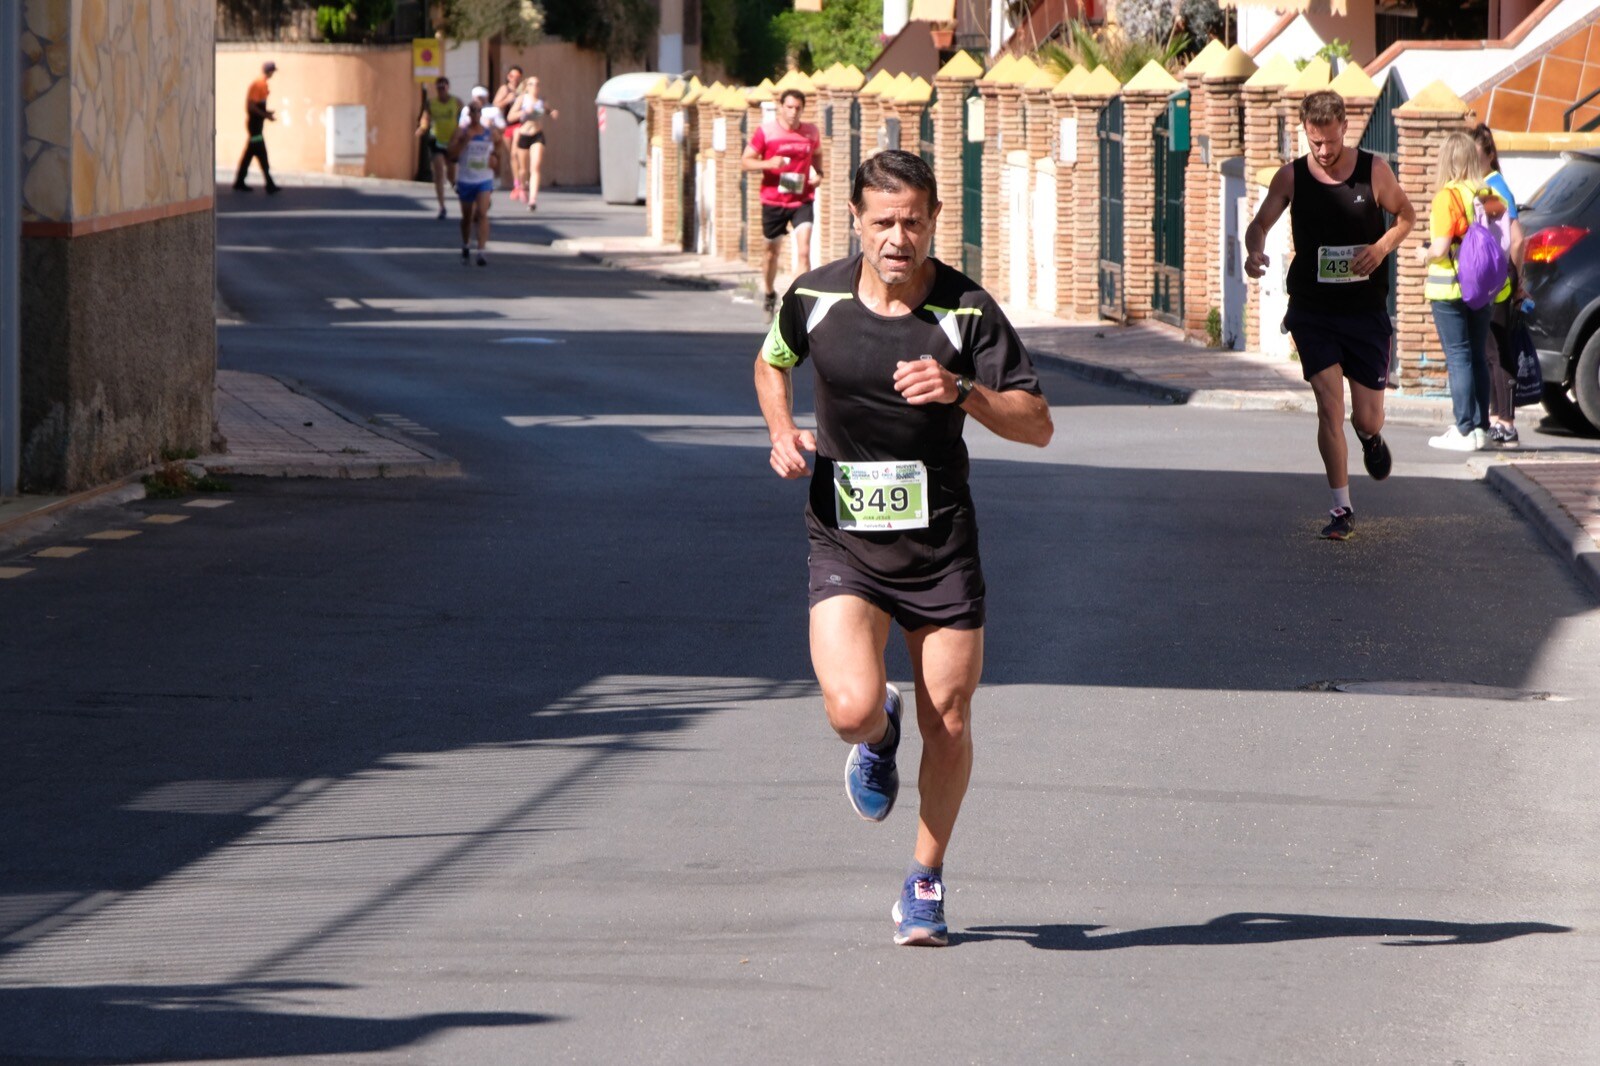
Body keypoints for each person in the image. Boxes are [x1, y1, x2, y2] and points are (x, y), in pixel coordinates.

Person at [752, 150, 1053, 947]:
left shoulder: (966, 311)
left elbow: (1038, 422)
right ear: (855, 219)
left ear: (934, 220)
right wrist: (782, 432)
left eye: (913, 221)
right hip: (845, 538)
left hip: (940, 545)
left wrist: (963, 391)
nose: (898, 237)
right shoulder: (813, 296)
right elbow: (770, 360)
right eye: (883, 221)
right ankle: (877, 737)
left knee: (949, 720)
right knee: (850, 707)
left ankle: (925, 880)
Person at [1244, 89, 1415, 541]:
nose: (1322, 151)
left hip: (1364, 312)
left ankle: (1372, 439)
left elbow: (1406, 216)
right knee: (1328, 404)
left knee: (1365, 418)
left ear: (1344, 126)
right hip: (1313, 310)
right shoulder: (1292, 177)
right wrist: (1254, 251)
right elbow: (1259, 223)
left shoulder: (1373, 170)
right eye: (1314, 142)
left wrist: (1379, 250)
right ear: (1306, 132)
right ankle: (1342, 508)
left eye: (1330, 142)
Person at [1418, 130, 1509, 452]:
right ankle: (1481, 428)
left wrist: (1423, 253)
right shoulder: (1488, 193)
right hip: (1483, 288)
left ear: (1446, 160)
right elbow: (1503, 238)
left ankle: (1463, 428)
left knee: (1458, 358)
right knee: (1477, 357)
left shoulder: (1447, 196)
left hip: (1450, 287)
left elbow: (1441, 248)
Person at [742, 89, 823, 316]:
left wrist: (820, 174)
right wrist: (769, 164)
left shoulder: (811, 132)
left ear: (803, 109)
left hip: (802, 198)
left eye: (798, 108)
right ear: (781, 107)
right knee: (771, 252)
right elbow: (745, 161)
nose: (793, 112)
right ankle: (769, 291)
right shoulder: (766, 132)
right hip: (773, 200)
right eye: (789, 107)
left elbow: (817, 154)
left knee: (804, 252)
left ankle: (795, 306)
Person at [1473, 124, 1527, 446]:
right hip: (1496, 279)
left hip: (1499, 280)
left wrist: (1516, 279)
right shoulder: (1488, 187)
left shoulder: (1494, 189)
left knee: (1498, 350)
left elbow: (1517, 240)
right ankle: (1497, 417)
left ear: (1489, 154)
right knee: (1491, 349)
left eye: (1476, 155)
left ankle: (1506, 421)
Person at [447, 101, 504, 267]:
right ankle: (466, 245)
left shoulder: (489, 132)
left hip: (484, 179)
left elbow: (499, 146)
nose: (475, 114)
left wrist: (495, 157)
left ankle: (481, 251)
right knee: (467, 218)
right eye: (472, 111)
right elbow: (451, 154)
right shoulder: (461, 132)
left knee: (482, 213)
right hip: (466, 179)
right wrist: (464, 142)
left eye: (478, 111)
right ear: (468, 114)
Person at [509, 75, 559, 212]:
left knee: (535, 167)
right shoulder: (522, 99)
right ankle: (522, 186)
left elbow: (548, 110)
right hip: (524, 135)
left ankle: (532, 200)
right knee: (523, 170)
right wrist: (524, 112)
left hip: (537, 135)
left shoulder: (542, 101)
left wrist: (553, 113)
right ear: (527, 87)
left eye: (537, 84)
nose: (535, 87)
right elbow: (510, 116)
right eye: (532, 84)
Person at [417, 76, 462, 220]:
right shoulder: (431, 103)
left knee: (451, 172)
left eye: (444, 87)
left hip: (452, 142)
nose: (441, 90)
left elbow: (464, 119)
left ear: (448, 88)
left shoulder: (456, 102)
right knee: (438, 171)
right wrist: (422, 128)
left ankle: (454, 183)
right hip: (437, 140)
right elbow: (425, 118)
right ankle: (442, 206)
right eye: (439, 88)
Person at [233, 60, 279, 194]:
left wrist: (267, 113)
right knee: (261, 152)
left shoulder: (263, 84)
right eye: (272, 71)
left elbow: (258, 106)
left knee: (250, 153)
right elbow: (251, 106)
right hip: (254, 126)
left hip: (257, 125)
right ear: (269, 71)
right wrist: (266, 115)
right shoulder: (258, 84)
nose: (273, 74)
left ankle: (240, 181)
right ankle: (269, 183)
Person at [493, 67, 524, 193]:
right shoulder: (504, 89)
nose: (514, 79)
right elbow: (495, 104)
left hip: (518, 125)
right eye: (512, 76)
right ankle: (499, 179)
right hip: (506, 125)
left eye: (517, 77)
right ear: (508, 77)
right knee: (505, 152)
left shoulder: (522, 91)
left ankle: (517, 182)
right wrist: (507, 100)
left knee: (515, 154)